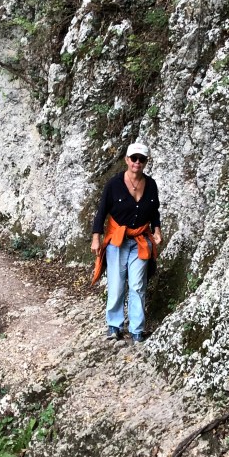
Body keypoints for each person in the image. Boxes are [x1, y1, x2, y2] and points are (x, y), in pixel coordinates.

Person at [90, 141, 162, 342]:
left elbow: (154, 211)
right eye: (134, 158)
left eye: (141, 159)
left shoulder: (151, 185)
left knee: (138, 284)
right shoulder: (114, 184)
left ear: (146, 162)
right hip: (117, 241)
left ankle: (137, 330)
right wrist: (96, 238)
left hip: (140, 240)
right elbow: (101, 212)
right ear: (127, 160)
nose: (137, 162)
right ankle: (114, 326)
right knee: (116, 284)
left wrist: (157, 230)